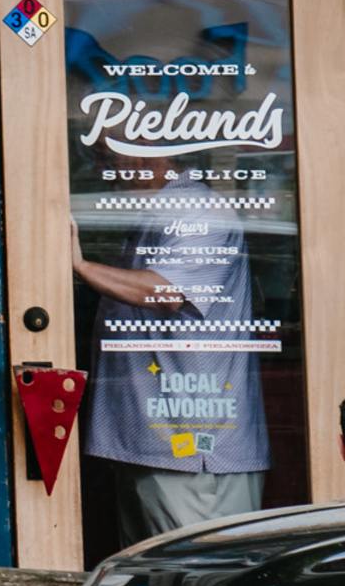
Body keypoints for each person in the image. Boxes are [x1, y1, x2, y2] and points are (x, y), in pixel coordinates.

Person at [75, 171, 271, 552]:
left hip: (194, 451)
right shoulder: (153, 210)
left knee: (200, 577)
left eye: (103, 149)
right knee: (155, 583)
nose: (95, 161)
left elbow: (168, 292)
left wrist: (81, 267)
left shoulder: (196, 207)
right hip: (152, 442)